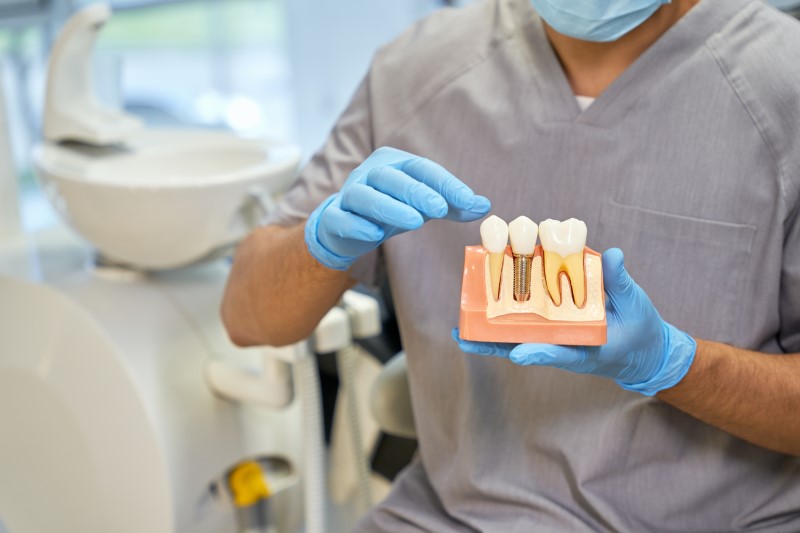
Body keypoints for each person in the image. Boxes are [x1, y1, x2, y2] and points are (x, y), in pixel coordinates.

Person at [222, 0, 800, 529]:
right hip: (455, 517)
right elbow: (248, 320)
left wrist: (678, 365)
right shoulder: (415, 70)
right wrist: (321, 242)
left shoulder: (781, 82)